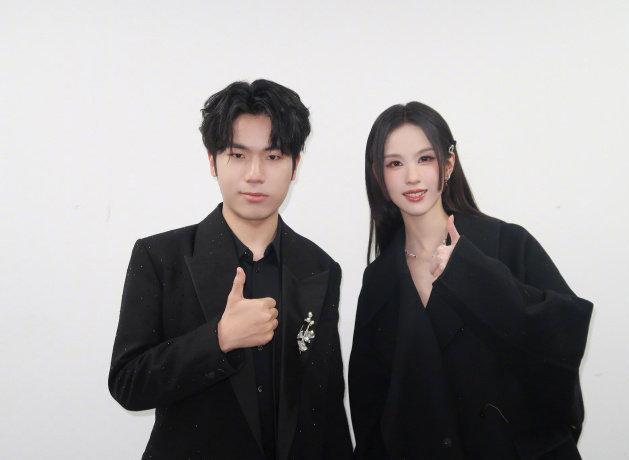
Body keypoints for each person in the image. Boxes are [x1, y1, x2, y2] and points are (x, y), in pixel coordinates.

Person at [109, 79, 353, 459]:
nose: (255, 174)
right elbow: (128, 383)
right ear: (212, 160)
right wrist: (219, 339)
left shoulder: (319, 267)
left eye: (273, 156)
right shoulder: (160, 258)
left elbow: (328, 403)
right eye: (238, 155)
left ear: (295, 166)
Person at [348, 101, 593, 459]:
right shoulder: (378, 280)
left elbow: (561, 339)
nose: (412, 177)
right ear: (378, 174)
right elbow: (370, 404)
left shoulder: (507, 243)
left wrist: (472, 273)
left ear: (448, 163)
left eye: (425, 159)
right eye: (395, 163)